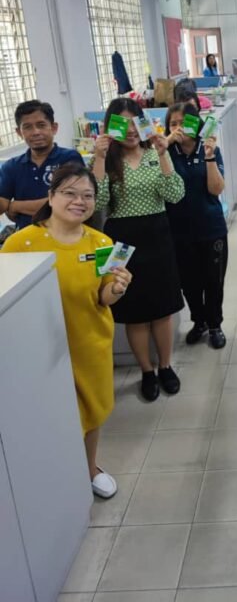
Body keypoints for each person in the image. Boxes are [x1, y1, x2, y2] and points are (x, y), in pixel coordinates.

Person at [2, 163, 132, 499]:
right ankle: (58, 480)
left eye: (87, 196)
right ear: (51, 197)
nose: (79, 201)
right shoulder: (21, 243)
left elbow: (104, 296)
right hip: (39, 350)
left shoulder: (102, 242)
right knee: (52, 417)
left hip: (89, 343)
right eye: (69, 193)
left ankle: (89, 469)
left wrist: (117, 288)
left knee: (92, 410)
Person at [92, 98, 185, 402]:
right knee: (135, 313)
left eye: (135, 122)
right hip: (122, 240)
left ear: (144, 124)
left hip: (158, 235)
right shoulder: (108, 160)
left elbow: (174, 194)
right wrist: (99, 158)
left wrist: (163, 153)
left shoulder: (154, 153)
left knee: (162, 309)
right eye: (122, 124)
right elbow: (98, 202)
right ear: (110, 127)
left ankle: (166, 366)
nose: (131, 130)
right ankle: (146, 370)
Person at [165, 103, 228, 349]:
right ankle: (198, 321)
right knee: (189, 282)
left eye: (184, 122)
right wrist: (165, 145)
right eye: (173, 123)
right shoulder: (166, 153)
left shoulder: (209, 148)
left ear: (197, 123)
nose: (179, 128)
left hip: (211, 228)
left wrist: (209, 156)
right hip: (178, 230)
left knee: (213, 281)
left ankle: (215, 325)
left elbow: (216, 189)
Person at [0, 100, 83, 229]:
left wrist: (16, 206)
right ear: (19, 132)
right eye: (27, 127)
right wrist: (7, 206)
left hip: (66, 234)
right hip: (26, 238)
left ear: (54, 128)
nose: (36, 132)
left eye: (41, 125)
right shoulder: (11, 167)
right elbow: (3, 205)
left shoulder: (70, 158)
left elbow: (68, 201)